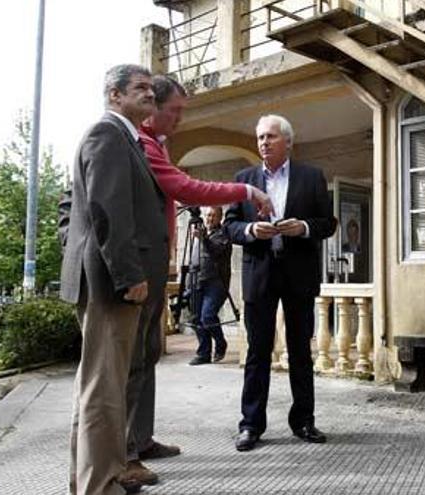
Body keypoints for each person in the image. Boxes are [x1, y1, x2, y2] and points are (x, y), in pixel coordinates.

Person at [119, 75, 274, 487]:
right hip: (133, 272)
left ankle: (141, 439)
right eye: (175, 110)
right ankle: (124, 454)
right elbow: (184, 187)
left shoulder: (154, 145)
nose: (181, 118)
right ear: (151, 107)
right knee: (129, 365)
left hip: (155, 270)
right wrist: (244, 189)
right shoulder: (131, 142)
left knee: (147, 358)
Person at [60, 64, 164, 495]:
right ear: (114, 95)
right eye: (140, 88)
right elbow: (107, 210)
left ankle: (91, 478)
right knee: (105, 392)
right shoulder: (108, 134)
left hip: (107, 282)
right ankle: (100, 486)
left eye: (151, 89)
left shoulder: (127, 139)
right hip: (112, 287)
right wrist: (128, 275)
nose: (150, 95)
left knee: (98, 388)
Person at [224, 114, 336, 451]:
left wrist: (302, 227)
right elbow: (229, 225)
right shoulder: (244, 180)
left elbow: (327, 223)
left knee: (301, 351)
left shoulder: (311, 177)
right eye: (260, 137)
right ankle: (251, 425)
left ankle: (304, 421)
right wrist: (249, 231)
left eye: (270, 136)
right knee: (257, 353)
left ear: (288, 141)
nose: (263, 143)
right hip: (259, 273)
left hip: (298, 274)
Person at [189, 206, 232, 365]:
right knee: (195, 319)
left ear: (220, 217)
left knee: (207, 316)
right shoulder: (199, 232)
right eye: (207, 215)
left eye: (214, 216)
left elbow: (215, 251)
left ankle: (220, 343)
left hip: (216, 283)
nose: (209, 219)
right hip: (197, 280)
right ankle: (203, 353)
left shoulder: (223, 234)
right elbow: (193, 256)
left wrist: (204, 238)